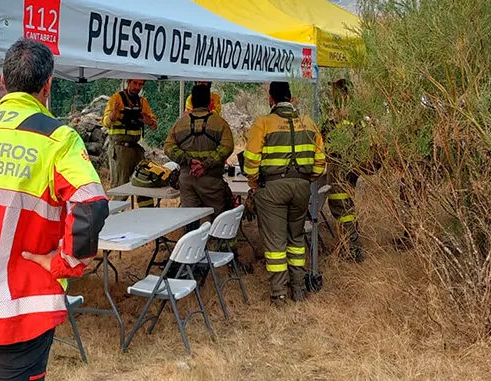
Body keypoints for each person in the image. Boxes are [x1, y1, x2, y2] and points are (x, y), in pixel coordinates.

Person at [0, 39, 109, 381]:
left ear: (2, 81)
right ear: (48, 84)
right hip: (24, 307)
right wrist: (64, 263)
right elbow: (90, 204)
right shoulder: (59, 139)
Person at [243, 82, 325, 306]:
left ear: (271, 99)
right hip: (301, 187)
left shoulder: (264, 123)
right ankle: (298, 288)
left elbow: (250, 159)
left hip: (272, 189)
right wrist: (308, 179)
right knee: (296, 238)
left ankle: (279, 294)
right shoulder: (309, 123)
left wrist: (253, 183)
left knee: (275, 243)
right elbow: (320, 161)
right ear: (292, 98)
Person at [165, 84, 234, 219]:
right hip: (211, 180)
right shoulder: (220, 123)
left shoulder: (180, 124)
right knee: (217, 220)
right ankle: (216, 239)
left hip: (187, 179)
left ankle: (190, 238)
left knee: (189, 218)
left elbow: (168, 147)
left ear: (192, 101)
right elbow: (227, 147)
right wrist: (205, 165)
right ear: (209, 101)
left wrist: (189, 162)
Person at [320, 79, 364, 262]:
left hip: (341, 170)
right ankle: (347, 245)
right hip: (349, 168)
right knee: (346, 209)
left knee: (343, 208)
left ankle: (353, 249)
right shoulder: (355, 117)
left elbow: (333, 144)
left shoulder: (343, 120)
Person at [102, 79, 158, 206]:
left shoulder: (143, 102)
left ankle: (147, 214)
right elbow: (105, 122)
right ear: (128, 82)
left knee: (143, 181)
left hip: (136, 149)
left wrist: (148, 120)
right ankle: (115, 217)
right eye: (135, 83)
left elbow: (154, 125)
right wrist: (112, 116)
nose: (137, 87)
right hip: (120, 149)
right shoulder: (116, 99)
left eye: (140, 84)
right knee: (120, 187)